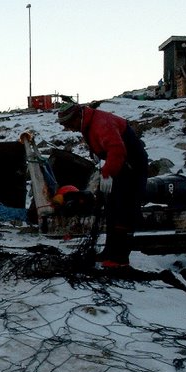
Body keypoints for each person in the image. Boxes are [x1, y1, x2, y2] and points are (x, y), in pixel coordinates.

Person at [57, 101, 148, 267]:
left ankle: (119, 259)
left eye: (69, 124)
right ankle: (109, 252)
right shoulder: (88, 123)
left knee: (124, 209)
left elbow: (117, 150)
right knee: (111, 208)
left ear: (78, 117)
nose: (68, 128)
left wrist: (107, 173)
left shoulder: (100, 123)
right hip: (120, 166)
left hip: (132, 166)